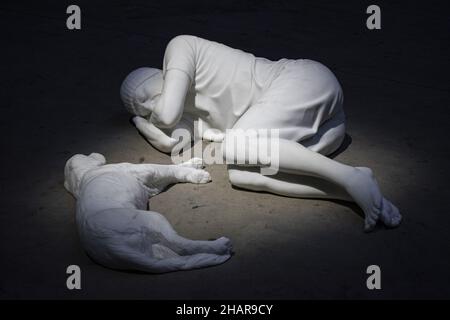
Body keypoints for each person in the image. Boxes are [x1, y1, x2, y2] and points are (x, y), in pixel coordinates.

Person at [120, 35, 401, 232]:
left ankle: (348, 176)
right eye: (142, 109)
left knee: (234, 147)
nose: (148, 106)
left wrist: (150, 115)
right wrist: (140, 122)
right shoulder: (189, 114)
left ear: (158, 74)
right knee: (240, 175)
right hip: (325, 129)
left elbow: (166, 114)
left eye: (144, 95)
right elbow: (171, 143)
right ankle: (347, 190)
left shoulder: (180, 47)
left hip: (305, 80)